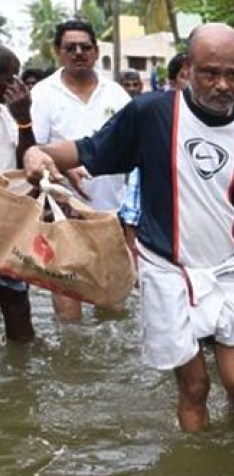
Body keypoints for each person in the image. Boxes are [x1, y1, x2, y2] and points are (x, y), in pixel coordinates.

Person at [24, 23, 234, 432]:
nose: (222, 84)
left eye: (233, 74)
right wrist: (38, 152)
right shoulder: (150, 115)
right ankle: (198, 475)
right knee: (195, 388)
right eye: (210, 72)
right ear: (189, 69)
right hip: (167, 271)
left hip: (229, 268)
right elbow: (90, 149)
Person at [30, 19, 132, 322]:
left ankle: (106, 366)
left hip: (111, 210)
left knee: (111, 299)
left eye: (85, 47)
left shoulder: (116, 94)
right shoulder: (43, 94)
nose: (78, 53)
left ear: (96, 51)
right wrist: (64, 164)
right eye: (70, 47)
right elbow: (31, 149)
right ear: (58, 52)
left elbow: (131, 146)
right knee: (66, 289)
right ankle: (70, 359)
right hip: (60, 212)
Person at [118, 56, 188, 262]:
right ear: (172, 82)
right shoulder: (152, 116)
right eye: (186, 76)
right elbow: (135, 187)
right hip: (158, 241)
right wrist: (132, 245)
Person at [0, 46, 36, 343]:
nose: (16, 85)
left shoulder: (7, 114)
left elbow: (29, 163)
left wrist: (24, 120)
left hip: (8, 231)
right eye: (10, 77)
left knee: (17, 308)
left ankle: (22, 381)